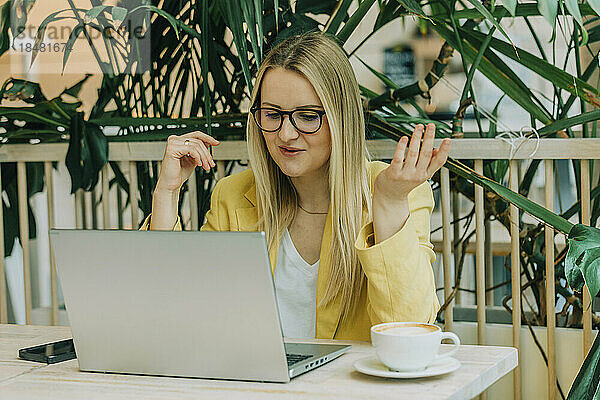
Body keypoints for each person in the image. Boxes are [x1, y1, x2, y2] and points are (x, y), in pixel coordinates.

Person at [141, 31, 451, 341]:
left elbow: (408, 331)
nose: (286, 134)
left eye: (306, 116)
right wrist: (165, 194)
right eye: (272, 114)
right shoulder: (233, 197)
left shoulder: (394, 193)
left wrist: (389, 206)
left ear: (341, 119)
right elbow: (174, 316)